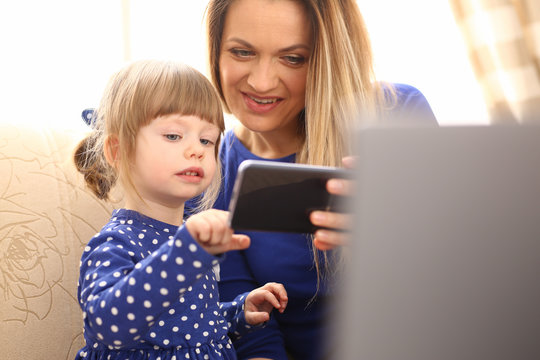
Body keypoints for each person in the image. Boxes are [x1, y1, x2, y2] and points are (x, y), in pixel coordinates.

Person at [200, 0, 439, 359]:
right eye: (242, 52)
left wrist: (398, 237)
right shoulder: (205, 170)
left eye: (293, 58)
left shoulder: (397, 115)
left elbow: (460, 282)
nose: (262, 81)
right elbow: (249, 329)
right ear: (216, 52)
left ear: (328, 58)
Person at [73, 59, 288, 360]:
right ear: (117, 151)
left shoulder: (192, 235)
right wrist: (184, 253)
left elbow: (191, 328)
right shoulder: (116, 242)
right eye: (174, 135)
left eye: (207, 139)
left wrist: (239, 313)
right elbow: (108, 326)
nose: (197, 150)